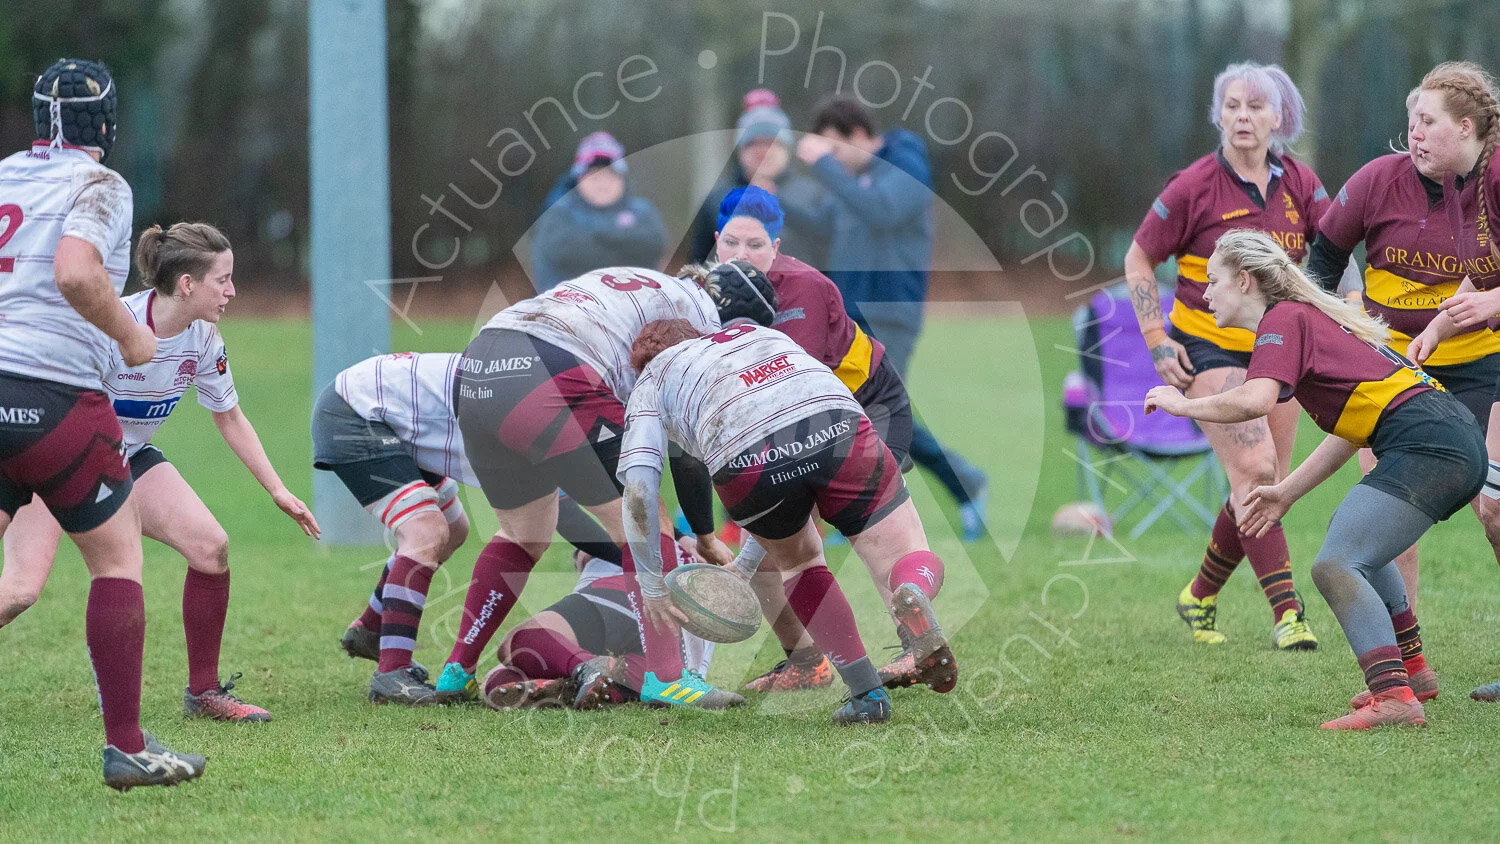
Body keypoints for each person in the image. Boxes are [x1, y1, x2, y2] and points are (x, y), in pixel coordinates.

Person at [1145, 229, 1484, 729]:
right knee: (1361, 549)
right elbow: (1350, 434)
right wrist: (1286, 493)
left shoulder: (1283, 320)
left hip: (1430, 442)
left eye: (1212, 280)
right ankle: (1412, 671)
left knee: (1336, 564)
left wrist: (1182, 404)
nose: (1205, 293)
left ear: (1244, 281)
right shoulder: (1303, 319)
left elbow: (1255, 399)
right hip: (1447, 435)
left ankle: (1393, 698)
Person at [1, 221, 319, 724]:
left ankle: (204, 692)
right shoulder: (116, 325)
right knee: (20, 591)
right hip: (58, 455)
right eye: (223, 280)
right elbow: (58, 398)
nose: (232, 291)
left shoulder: (204, 337)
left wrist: (277, 489)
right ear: (187, 284)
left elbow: (230, 417)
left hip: (127, 457)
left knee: (210, 547)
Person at [619, 274, 957, 725]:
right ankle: (913, 589)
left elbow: (640, 487)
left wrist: (651, 586)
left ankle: (867, 695)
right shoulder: (757, 333)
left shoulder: (651, 379)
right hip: (835, 422)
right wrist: (744, 564)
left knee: (800, 564)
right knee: (904, 551)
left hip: (745, 457)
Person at [0, 58, 202, 789]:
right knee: (117, 560)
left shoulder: (4, 175)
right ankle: (127, 747)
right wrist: (130, 335)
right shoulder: (100, 184)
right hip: (53, 394)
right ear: (109, 124)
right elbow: (78, 272)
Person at [446, 266, 739, 709]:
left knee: (523, 533)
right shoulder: (704, 321)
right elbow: (686, 448)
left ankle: (456, 671)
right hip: (551, 369)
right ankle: (668, 678)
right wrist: (704, 534)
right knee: (644, 517)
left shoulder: (644, 285)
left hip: (477, 365)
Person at [703, 188, 953, 695]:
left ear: (777, 246)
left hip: (868, 409)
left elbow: (794, 393)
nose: (742, 255)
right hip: (802, 421)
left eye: (756, 245)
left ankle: (914, 644)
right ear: (715, 240)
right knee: (772, 537)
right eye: (731, 243)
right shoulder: (708, 293)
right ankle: (805, 661)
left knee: (872, 536)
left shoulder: (804, 290)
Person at [313, 349, 662, 704]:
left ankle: (372, 629)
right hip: (355, 413)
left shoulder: (545, 399)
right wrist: (640, 558)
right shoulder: (538, 415)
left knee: (455, 530)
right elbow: (561, 517)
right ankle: (392, 674)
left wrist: (643, 550)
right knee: (426, 532)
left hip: (394, 417)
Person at [1125, 62, 1329, 650]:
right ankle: (1288, 614)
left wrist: (1349, 311)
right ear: (1218, 115)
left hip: (1282, 347)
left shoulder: (1302, 183)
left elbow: (1334, 248)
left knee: (1266, 481)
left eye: (1256, 106)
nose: (1243, 116)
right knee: (1256, 468)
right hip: (1207, 345)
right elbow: (1139, 259)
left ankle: (1199, 595)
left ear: (1278, 116)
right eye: (1232, 105)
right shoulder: (1192, 185)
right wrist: (1157, 339)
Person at [1306, 64, 1500, 661]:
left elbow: (1486, 285)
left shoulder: (1491, 182)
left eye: (1427, 121)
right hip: (1397, 371)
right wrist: (1333, 332)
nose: (1413, 133)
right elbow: (1322, 261)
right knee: (1389, 521)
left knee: (1495, 511)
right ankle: (1405, 664)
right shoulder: (1382, 181)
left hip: (1485, 367)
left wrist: (1490, 304)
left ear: (1465, 127)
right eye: (1410, 120)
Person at [795, 96, 990, 541]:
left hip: (891, 311)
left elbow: (883, 211)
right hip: (849, 314)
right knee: (858, 410)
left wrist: (824, 166)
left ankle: (873, 514)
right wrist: (768, 198)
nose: (831, 160)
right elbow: (823, 226)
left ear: (860, 135)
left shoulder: (905, 162)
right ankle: (963, 482)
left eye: (835, 149)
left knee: (878, 409)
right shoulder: (851, 182)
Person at [479, 548, 716, 710]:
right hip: (675, 657)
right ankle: (600, 686)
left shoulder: (608, 552)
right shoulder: (695, 560)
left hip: (624, 596)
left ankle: (587, 669)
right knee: (498, 682)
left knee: (515, 646)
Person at [689, 89, 827, 268]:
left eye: (770, 142)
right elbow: (698, 264)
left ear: (786, 148)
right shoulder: (716, 200)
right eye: (753, 143)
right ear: (740, 150)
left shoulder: (815, 196)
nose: (762, 151)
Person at [529, 132, 668, 291]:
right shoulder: (556, 214)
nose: (602, 183)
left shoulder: (643, 211)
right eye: (594, 176)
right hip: (571, 303)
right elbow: (569, 255)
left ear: (622, 179)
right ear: (578, 179)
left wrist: (595, 237)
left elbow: (654, 246)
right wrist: (622, 240)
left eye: (610, 175)